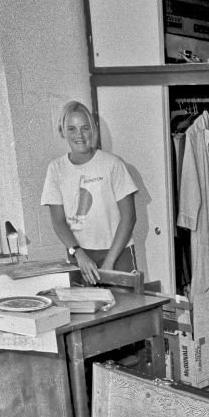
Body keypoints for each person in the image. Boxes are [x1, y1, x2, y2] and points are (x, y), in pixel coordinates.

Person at [41, 100, 138, 286]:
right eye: (72, 129)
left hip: (118, 252)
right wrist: (78, 253)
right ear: (63, 132)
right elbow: (58, 221)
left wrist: (110, 262)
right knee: (86, 312)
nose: (79, 135)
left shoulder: (113, 164)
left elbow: (129, 218)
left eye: (84, 128)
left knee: (125, 311)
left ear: (92, 130)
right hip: (80, 255)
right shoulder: (56, 169)